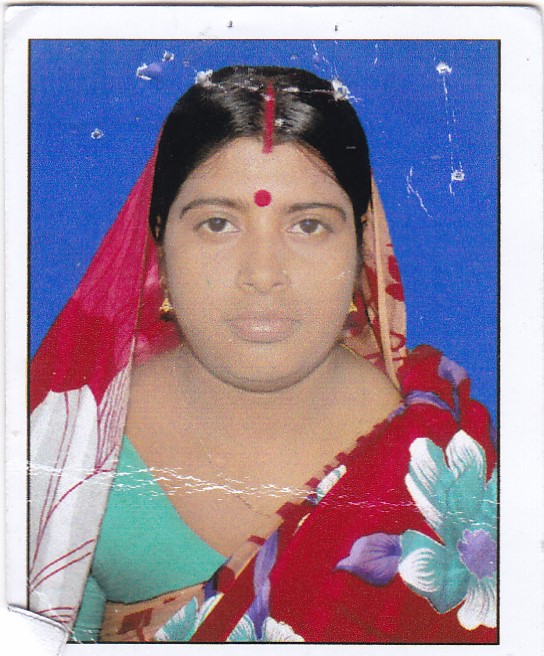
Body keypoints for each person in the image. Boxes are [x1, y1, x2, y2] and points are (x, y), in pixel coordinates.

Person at [29, 66, 497, 643]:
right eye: (218, 223)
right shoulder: (71, 444)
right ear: (159, 243)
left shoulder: (438, 446)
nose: (263, 274)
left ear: (362, 246)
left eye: (309, 226)